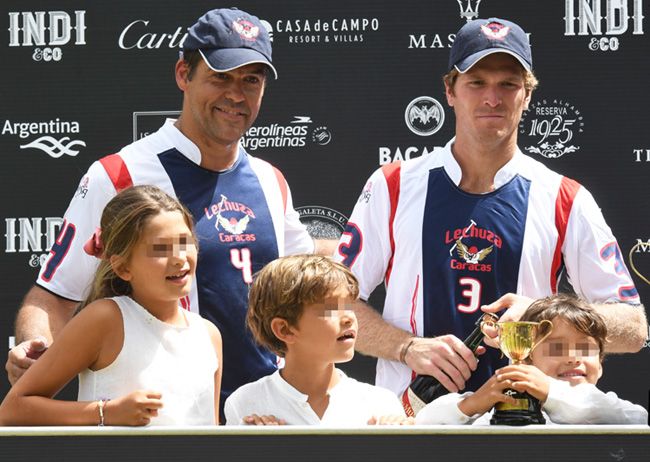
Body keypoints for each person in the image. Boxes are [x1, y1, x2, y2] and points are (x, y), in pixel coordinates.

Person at [6, 8, 336, 416]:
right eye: (221, 77)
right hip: (160, 423)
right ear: (183, 74)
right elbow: (54, 297)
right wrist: (34, 347)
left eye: (251, 80)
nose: (237, 94)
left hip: (263, 420)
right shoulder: (118, 174)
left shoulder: (271, 179)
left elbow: (305, 281)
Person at [334, 17, 647, 407]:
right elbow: (333, 306)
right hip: (412, 421)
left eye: (508, 85)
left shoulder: (564, 197)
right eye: (477, 82)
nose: (492, 99)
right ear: (450, 90)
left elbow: (634, 328)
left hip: (532, 425)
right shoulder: (392, 185)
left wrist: (542, 317)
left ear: (527, 95)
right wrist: (406, 347)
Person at [0, 185, 222, 426]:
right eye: (160, 249)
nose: (179, 257)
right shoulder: (106, 318)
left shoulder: (209, 334)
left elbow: (211, 431)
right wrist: (105, 412)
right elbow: (12, 410)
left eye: (185, 242)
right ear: (123, 268)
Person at [224, 255, 408, 426]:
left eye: (349, 306)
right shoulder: (244, 405)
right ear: (284, 329)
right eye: (331, 310)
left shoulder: (382, 404)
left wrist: (394, 443)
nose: (348, 318)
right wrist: (256, 448)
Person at [416, 294, 648, 424]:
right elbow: (424, 424)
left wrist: (550, 391)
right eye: (557, 348)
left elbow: (636, 419)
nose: (573, 358)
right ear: (526, 359)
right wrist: (472, 405)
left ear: (600, 363)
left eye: (586, 349)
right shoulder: (499, 412)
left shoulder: (613, 411)